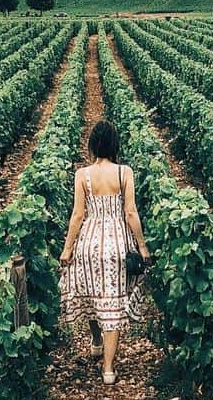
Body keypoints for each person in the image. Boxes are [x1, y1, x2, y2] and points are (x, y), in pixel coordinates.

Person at [59, 119, 149, 384]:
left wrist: (67, 249)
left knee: (91, 295)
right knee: (113, 301)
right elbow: (130, 212)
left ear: (93, 146)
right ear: (114, 144)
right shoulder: (124, 173)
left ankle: (96, 340)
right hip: (116, 244)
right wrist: (142, 246)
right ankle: (108, 368)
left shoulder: (82, 175)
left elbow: (77, 215)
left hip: (89, 243)